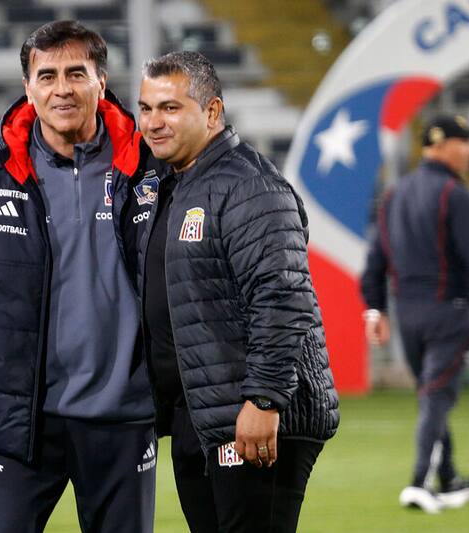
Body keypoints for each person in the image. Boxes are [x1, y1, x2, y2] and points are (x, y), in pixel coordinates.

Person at [0, 21, 162, 533]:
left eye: (76, 73)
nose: (62, 89)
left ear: (101, 82)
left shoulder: (152, 167)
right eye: (47, 75)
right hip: (21, 422)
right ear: (28, 89)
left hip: (124, 416)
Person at [126, 50, 340, 533]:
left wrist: (264, 401)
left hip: (251, 414)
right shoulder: (173, 184)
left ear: (212, 112)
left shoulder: (249, 185)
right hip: (201, 412)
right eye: (146, 108)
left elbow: (283, 298)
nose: (153, 122)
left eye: (170, 108)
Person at [361, 113, 469, 514]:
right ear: (444, 144)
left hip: (407, 318)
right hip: (450, 310)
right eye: (465, 141)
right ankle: (420, 482)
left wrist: (375, 310)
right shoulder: (455, 194)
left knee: (432, 394)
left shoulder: (395, 195)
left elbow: (375, 262)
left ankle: (447, 477)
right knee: (436, 396)